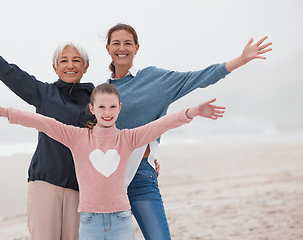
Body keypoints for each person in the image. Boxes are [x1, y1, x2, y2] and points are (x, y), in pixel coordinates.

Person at [0, 83, 226, 240]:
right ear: (92, 109)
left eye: (112, 107)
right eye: (102, 107)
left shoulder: (129, 138)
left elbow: (161, 124)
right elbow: (44, 123)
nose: (107, 113)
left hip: (120, 220)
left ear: (119, 108)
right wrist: (5, 113)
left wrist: (192, 112)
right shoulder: (77, 138)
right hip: (88, 222)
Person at [105, 23, 272, 239]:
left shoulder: (156, 80)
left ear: (137, 48)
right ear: (108, 48)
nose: (122, 48)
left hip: (141, 178)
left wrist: (241, 59)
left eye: (128, 43)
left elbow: (199, 77)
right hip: (108, 177)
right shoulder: (102, 92)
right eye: (116, 43)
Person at [0, 12, 94, 240]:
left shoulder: (96, 101)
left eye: (76, 60)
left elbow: (119, 133)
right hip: (45, 185)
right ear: (55, 67)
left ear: (85, 67)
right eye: (63, 60)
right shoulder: (43, 93)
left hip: (80, 189)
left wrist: (148, 154)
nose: (70, 65)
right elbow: (5, 70)